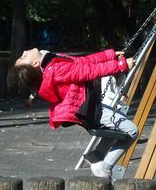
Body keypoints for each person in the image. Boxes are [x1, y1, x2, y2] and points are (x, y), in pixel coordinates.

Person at [7, 48, 138, 179]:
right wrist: (121, 65)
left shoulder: (53, 63)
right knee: (132, 131)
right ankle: (105, 167)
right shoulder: (57, 69)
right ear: (36, 63)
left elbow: (84, 61)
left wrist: (108, 55)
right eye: (24, 57)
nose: (24, 51)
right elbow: (90, 71)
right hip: (90, 111)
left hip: (90, 107)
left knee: (117, 131)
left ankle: (96, 156)